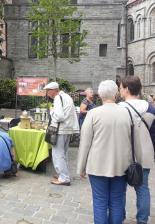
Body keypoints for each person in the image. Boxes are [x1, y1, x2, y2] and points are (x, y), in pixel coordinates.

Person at [77, 80, 142, 224]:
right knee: (117, 201)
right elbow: (135, 142)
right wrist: (139, 163)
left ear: (100, 95)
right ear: (116, 94)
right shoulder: (128, 114)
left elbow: (85, 143)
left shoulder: (93, 114)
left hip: (97, 166)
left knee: (100, 201)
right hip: (122, 166)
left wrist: (81, 167)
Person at [119, 76, 155, 224]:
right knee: (143, 189)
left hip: (122, 155)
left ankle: (120, 216)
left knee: (119, 190)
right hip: (144, 154)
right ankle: (142, 220)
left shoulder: (119, 109)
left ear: (127, 89)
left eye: (120, 87)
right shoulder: (151, 108)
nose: (119, 90)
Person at [43, 82, 79, 186]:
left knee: (58, 154)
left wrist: (51, 111)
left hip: (60, 130)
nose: (47, 93)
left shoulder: (58, 98)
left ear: (54, 90)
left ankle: (64, 178)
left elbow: (59, 116)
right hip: (67, 129)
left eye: (48, 91)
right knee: (63, 154)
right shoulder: (66, 96)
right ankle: (64, 175)